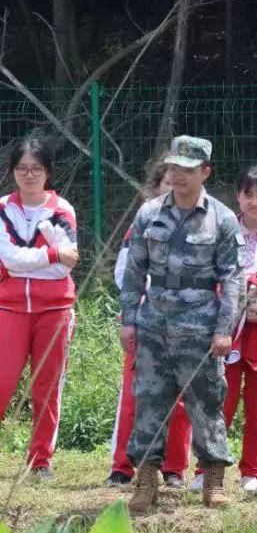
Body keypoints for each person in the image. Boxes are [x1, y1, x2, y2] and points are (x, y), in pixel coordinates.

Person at [120, 135, 244, 515]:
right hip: (154, 323)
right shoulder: (149, 213)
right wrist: (128, 321)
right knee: (150, 401)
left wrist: (224, 328)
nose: (177, 176)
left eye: (187, 170)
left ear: (205, 172)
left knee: (206, 401)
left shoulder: (222, 218)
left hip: (201, 329)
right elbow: (134, 271)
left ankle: (213, 480)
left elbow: (234, 278)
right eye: (173, 168)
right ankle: (145, 480)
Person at [190, 165, 257, 495]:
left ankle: (252, 471)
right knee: (217, 403)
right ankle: (206, 469)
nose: (254, 201)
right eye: (248, 194)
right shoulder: (221, 232)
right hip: (224, 332)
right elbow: (206, 279)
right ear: (237, 196)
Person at [106, 158, 193, 490]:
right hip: (146, 321)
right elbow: (124, 274)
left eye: (180, 182)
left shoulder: (206, 225)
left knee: (182, 397)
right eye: (167, 183)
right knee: (134, 394)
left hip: (187, 323)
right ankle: (122, 467)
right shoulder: (140, 224)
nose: (173, 189)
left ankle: (174, 468)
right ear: (156, 188)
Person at [0, 135, 79, 477]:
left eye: (36, 169)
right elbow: (8, 256)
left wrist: (24, 263)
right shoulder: (3, 208)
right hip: (10, 307)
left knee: (47, 384)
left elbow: (65, 267)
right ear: (12, 171)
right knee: (3, 379)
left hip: (55, 310)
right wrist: (48, 253)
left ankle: (40, 460)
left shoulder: (62, 211)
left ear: (48, 172)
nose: (28, 175)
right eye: (22, 168)